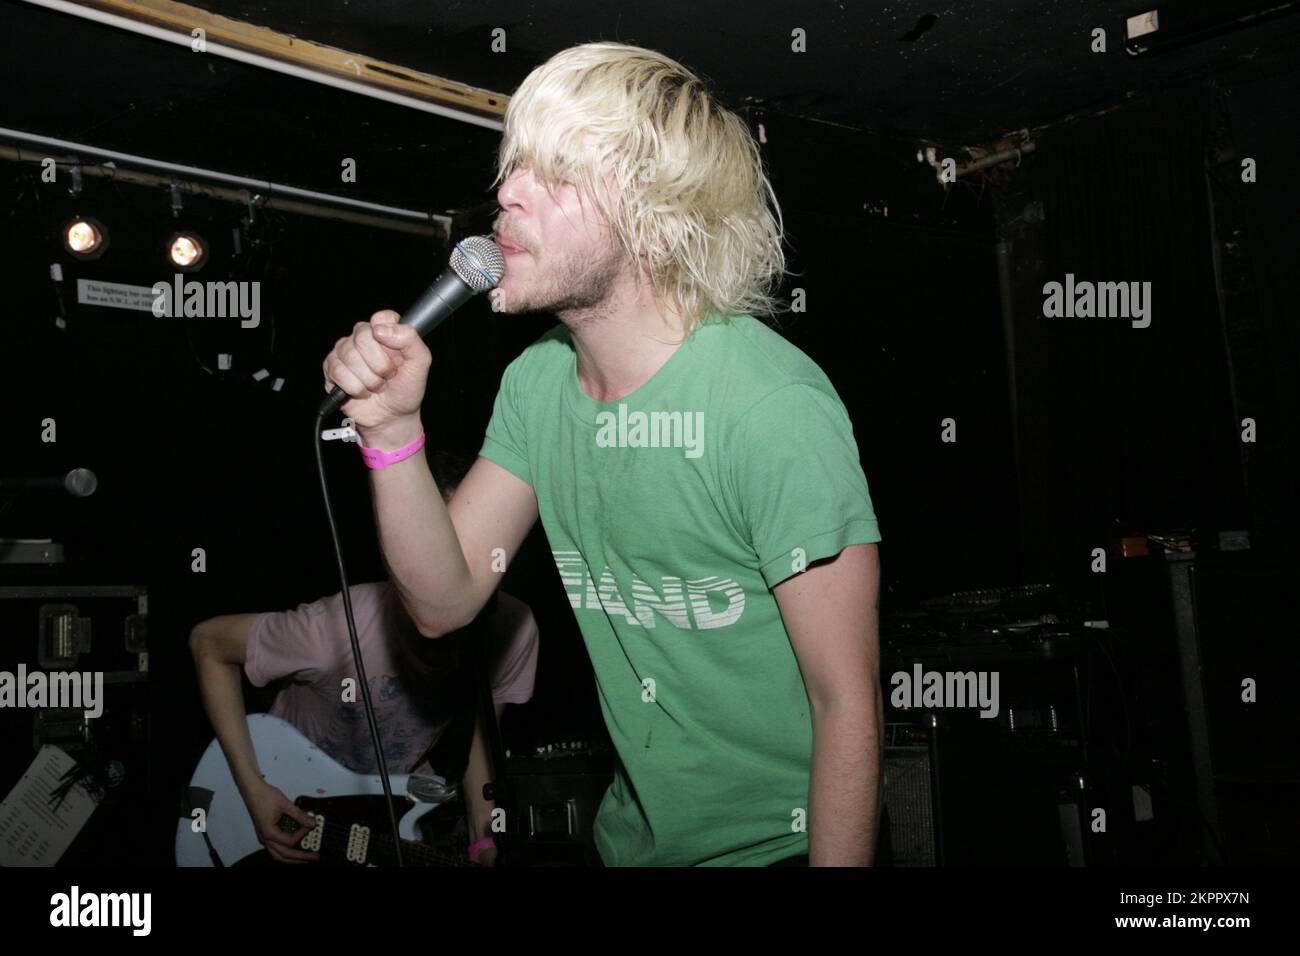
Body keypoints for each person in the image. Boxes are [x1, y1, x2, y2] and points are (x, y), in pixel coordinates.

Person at [322, 42, 883, 866]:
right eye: (514, 167)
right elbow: (443, 603)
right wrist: (393, 436)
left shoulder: (768, 406)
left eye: (555, 175)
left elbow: (849, 703)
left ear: (655, 216)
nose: (507, 192)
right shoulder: (538, 383)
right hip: (630, 846)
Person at [189, 449, 539, 866]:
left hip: (387, 815)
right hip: (288, 795)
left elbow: (479, 739)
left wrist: (484, 840)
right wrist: (254, 789)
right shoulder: (337, 628)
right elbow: (207, 642)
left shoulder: (513, 632)